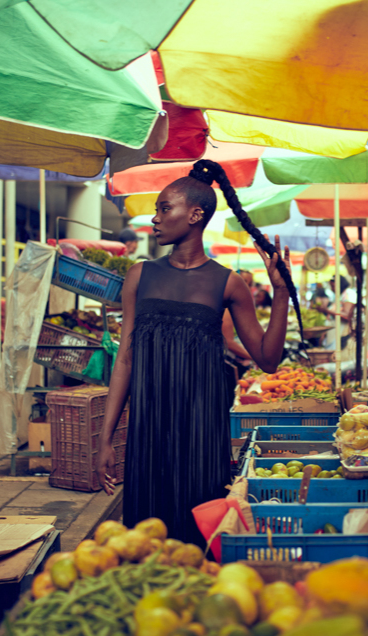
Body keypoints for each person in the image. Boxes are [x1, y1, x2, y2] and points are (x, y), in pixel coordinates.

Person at [96, 160, 295, 546]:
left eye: (163, 208)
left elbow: (268, 360)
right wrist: (107, 439)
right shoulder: (140, 275)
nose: (154, 219)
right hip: (147, 434)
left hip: (203, 436)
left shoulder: (228, 283)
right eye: (156, 210)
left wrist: (282, 292)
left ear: (195, 214)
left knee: (198, 539)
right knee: (143, 542)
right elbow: (125, 360)